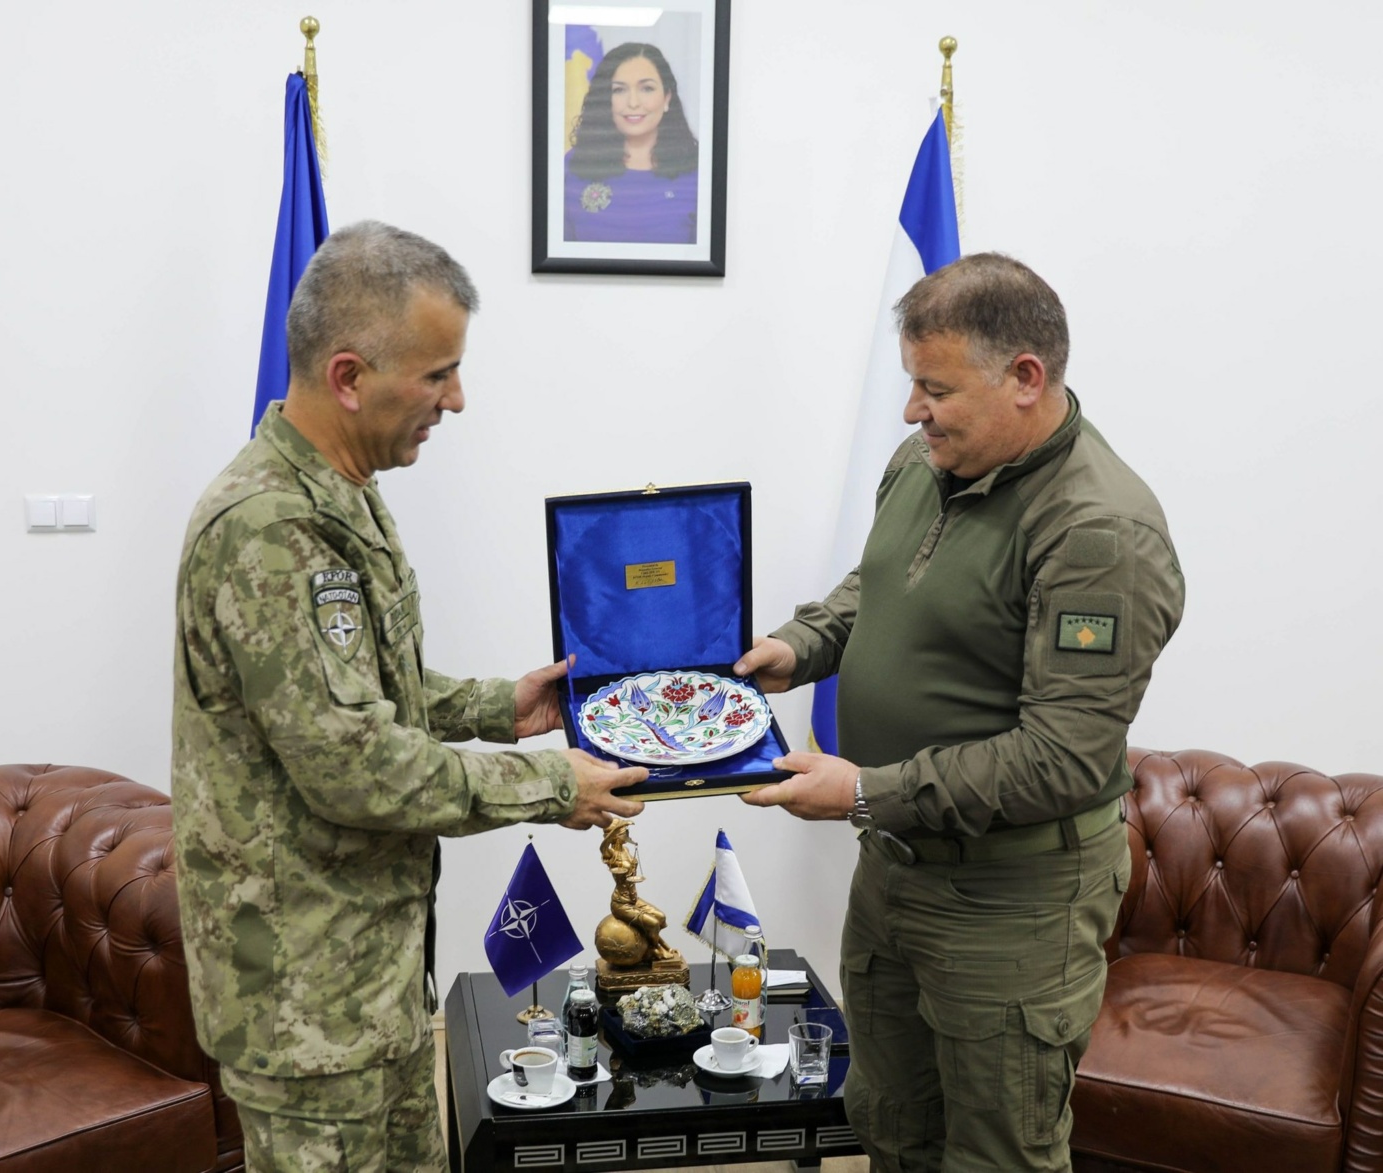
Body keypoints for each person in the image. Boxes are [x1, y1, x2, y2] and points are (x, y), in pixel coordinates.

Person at [171, 220, 648, 1172]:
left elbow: (362, 688)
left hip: (373, 978)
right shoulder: (270, 526)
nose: (456, 399)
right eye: (438, 374)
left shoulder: (342, 491)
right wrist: (551, 782)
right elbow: (354, 765)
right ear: (349, 377)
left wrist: (500, 706)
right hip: (306, 1005)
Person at [735, 253, 1185, 1171]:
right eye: (912, 383)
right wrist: (800, 645)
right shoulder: (925, 460)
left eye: (935, 389)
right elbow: (879, 587)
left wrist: (864, 790)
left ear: (1025, 377)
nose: (913, 411)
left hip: (1011, 902)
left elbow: (1059, 756)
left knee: (996, 1153)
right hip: (895, 870)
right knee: (892, 1125)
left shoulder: (1098, 531)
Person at [563, 42, 699, 245]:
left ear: (667, 98)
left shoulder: (699, 172)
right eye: (619, 90)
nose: (633, 103)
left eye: (647, 88)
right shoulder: (573, 165)